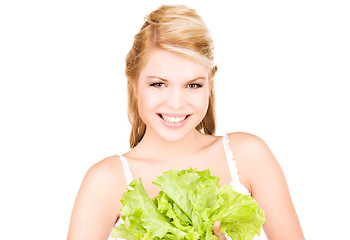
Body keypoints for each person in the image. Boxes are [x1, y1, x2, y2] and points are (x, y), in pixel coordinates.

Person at [67, 4, 304, 240]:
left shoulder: (249, 156)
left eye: (193, 85)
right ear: (134, 83)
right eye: (158, 84)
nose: (176, 104)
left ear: (209, 84)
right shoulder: (105, 181)